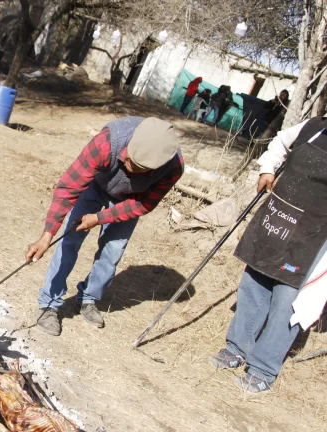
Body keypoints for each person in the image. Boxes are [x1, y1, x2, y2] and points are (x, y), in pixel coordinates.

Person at [26, 117, 184, 335]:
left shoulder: (173, 168)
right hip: (95, 186)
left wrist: (100, 218)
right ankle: (49, 304)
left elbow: (145, 204)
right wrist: (46, 236)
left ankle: (88, 298)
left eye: (137, 167)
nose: (127, 166)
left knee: (112, 251)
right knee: (69, 240)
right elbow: (68, 188)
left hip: (131, 200)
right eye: (129, 159)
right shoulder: (107, 142)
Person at [211, 114, 327, 393]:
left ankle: (262, 369)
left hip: (314, 236)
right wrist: (268, 169)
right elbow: (280, 143)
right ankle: (236, 349)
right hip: (278, 218)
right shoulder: (313, 127)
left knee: (288, 301)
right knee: (254, 283)